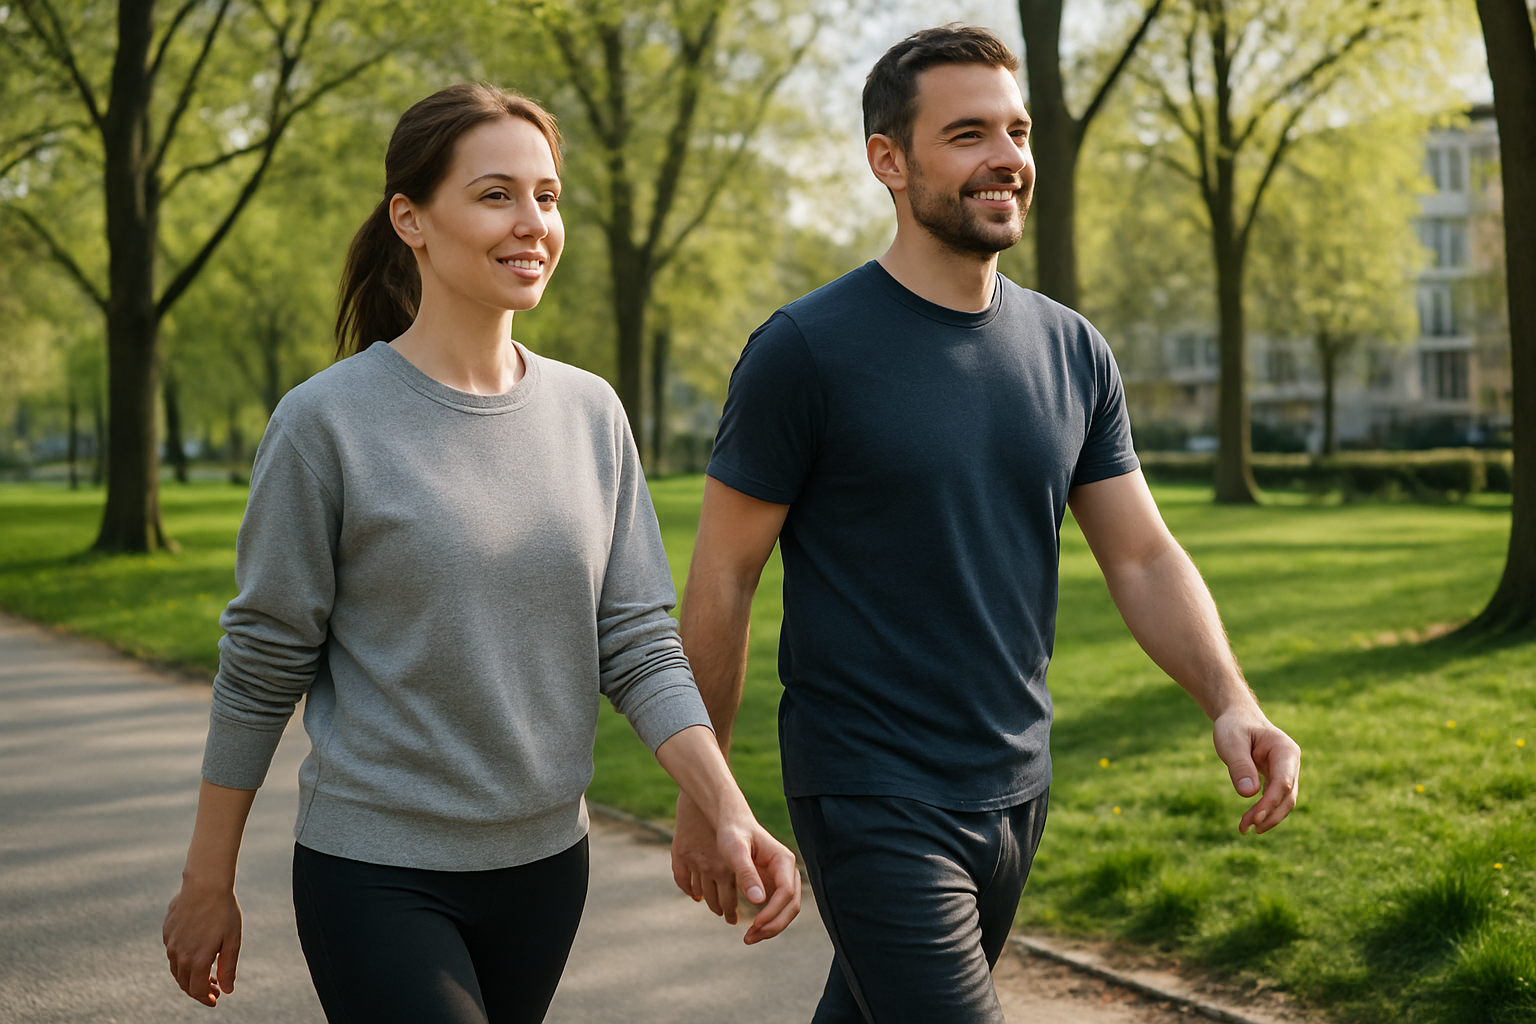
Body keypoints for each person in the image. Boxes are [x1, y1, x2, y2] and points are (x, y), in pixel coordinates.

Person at [669, 26, 1302, 1024]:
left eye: (1016, 129)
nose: (1006, 157)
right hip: (870, 787)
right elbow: (722, 582)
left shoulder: (1072, 351)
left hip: (1016, 784)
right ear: (889, 158)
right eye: (968, 133)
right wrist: (706, 795)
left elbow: (1140, 554)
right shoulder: (805, 352)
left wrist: (1231, 696)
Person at [160, 82, 799, 1024]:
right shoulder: (324, 423)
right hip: (375, 870)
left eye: (547, 196)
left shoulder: (591, 412)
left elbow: (636, 642)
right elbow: (262, 663)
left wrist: (727, 807)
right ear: (410, 220)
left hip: (546, 868)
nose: (532, 222)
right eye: (496, 194)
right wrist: (207, 880)